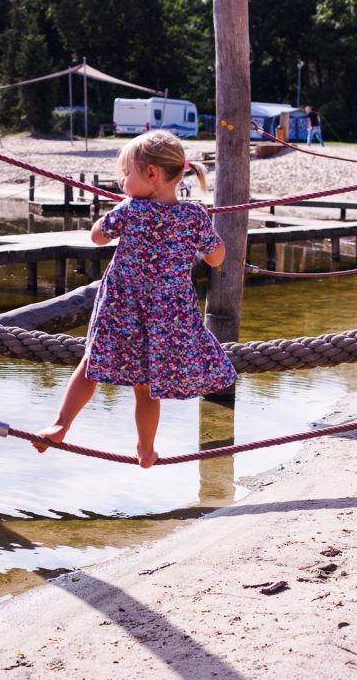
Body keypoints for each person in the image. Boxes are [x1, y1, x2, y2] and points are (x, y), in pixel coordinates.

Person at [33, 130, 237, 468]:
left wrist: (112, 213)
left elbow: (97, 237)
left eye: (126, 173)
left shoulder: (130, 209)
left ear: (152, 173)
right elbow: (217, 258)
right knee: (146, 386)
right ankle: (145, 449)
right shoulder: (194, 215)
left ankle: (60, 424)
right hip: (168, 315)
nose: (122, 182)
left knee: (91, 364)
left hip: (122, 308)